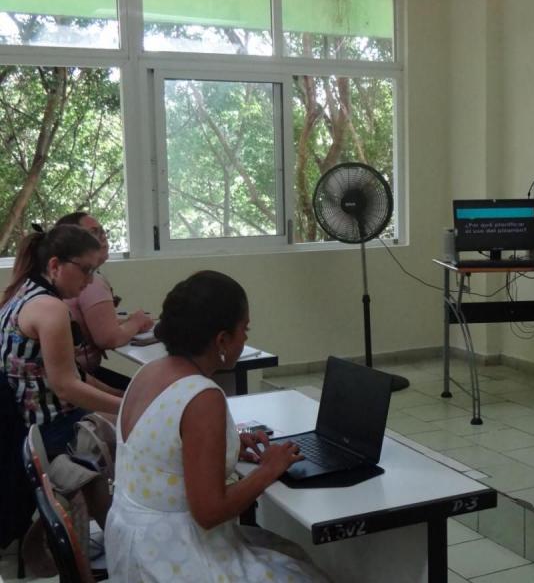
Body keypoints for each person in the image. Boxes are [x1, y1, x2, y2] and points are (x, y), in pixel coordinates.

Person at [106, 270, 327, 582]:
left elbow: (165, 449)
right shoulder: (203, 396)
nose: (246, 339)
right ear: (222, 340)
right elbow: (209, 513)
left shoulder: (150, 372)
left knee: (288, 555)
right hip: (175, 558)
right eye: (244, 330)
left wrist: (229, 444)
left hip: (135, 548)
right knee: (305, 572)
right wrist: (269, 469)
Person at [1, 224, 123, 528]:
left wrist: (123, 398)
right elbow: (66, 387)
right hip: (48, 430)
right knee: (140, 431)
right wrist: (126, 407)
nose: (90, 281)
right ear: (55, 265)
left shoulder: (20, 294)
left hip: (24, 425)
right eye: (85, 271)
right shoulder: (51, 309)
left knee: (126, 412)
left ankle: (110, 530)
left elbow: (75, 375)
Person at [56, 212, 153, 389]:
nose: (102, 238)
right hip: (76, 380)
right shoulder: (92, 283)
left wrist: (127, 322)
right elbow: (108, 339)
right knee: (150, 392)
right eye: (94, 233)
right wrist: (137, 322)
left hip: (77, 377)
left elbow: (93, 324)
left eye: (102, 231)